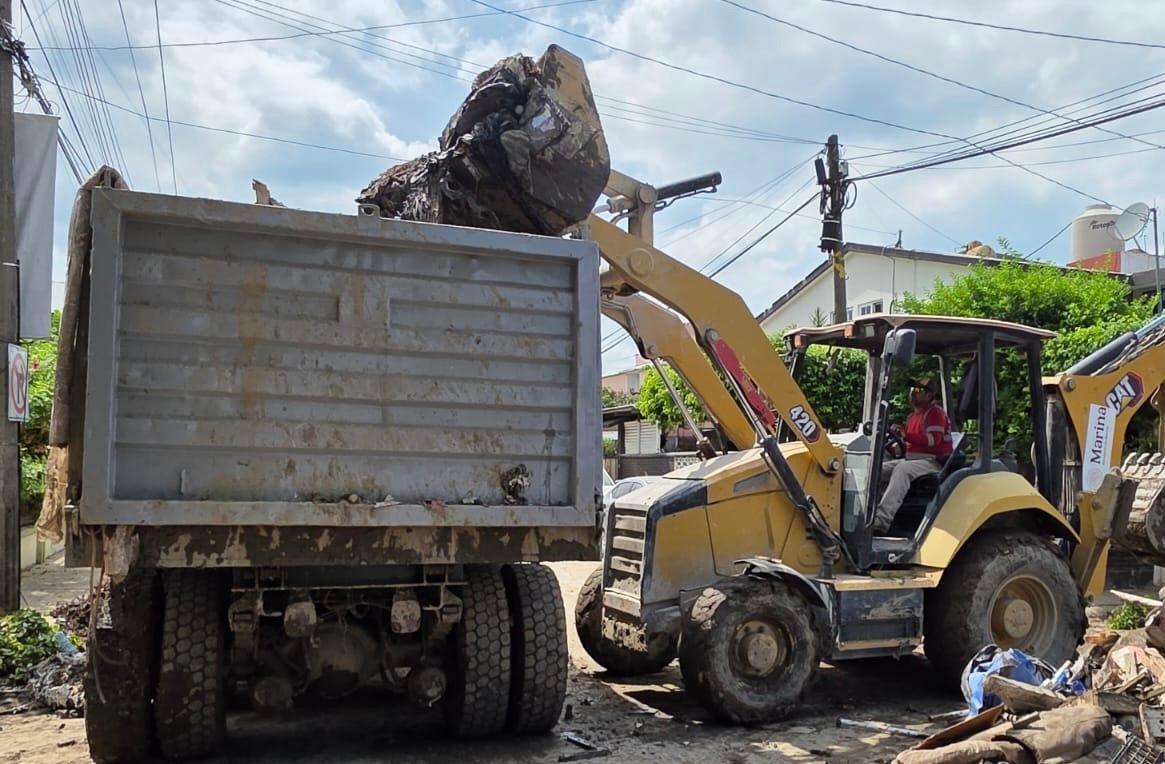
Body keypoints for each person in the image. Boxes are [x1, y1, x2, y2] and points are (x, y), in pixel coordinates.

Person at [873, 376, 953, 534]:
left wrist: (906, 435)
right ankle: (868, 511)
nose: (912, 393)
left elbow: (933, 441)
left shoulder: (935, 413)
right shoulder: (913, 416)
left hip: (933, 461)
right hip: (914, 459)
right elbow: (910, 445)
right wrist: (894, 447)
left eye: (918, 390)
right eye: (912, 389)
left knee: (903, 469)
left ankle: (882, 520)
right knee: (876, 469)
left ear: (929, 395)